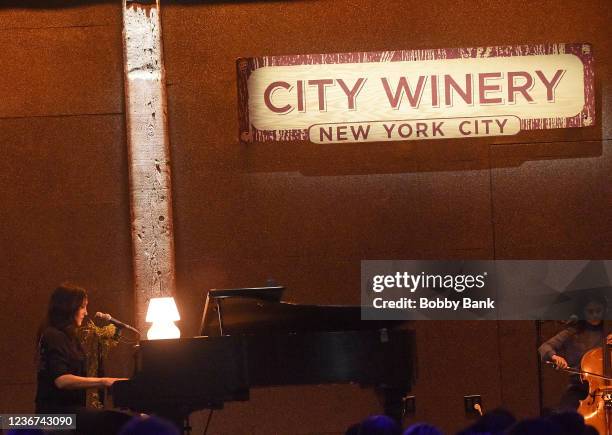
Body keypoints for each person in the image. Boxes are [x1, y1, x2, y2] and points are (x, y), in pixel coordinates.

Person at [35, 283, 130, 434]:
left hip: (69, 413)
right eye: (83, 307)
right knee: (118, 422)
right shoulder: (53, 335)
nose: (86, 313)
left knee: (119, 420)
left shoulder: (69, 338)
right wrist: (105, 381)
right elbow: (62, 380)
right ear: (69, 308)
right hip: (54, 416)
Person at [538, 294, 611, 410]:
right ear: (583, 313)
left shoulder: (609, 329)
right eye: (590, 312)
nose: (595, 315)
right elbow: (545, 347)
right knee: (565, 412)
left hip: (608, 386)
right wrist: (554, 357)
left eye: (598, 311)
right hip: (579, 387)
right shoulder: (573, 332)